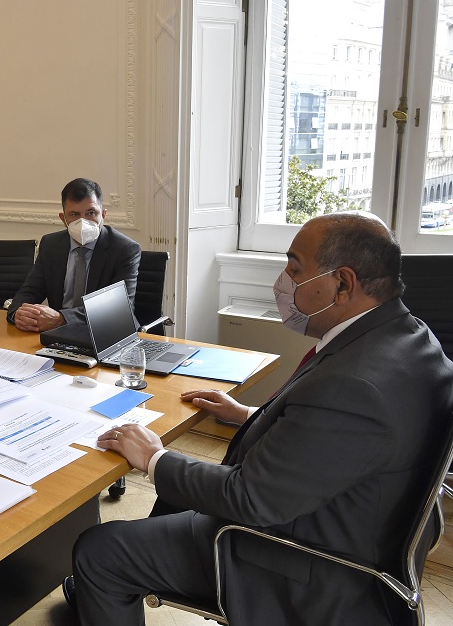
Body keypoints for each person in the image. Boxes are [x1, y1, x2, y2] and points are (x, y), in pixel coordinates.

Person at [66, 212, 453, 625]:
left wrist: (153, 457)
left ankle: (106, 582)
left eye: (295, 269)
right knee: (175, 494)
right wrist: (248, 415)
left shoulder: (355, 384)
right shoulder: (409, 337)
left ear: (343, 284)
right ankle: (117, 589)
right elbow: (342, 439)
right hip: (344, 519)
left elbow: (249, 499)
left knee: (99, 550)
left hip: (303, 561)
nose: (283, 282)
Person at [6, 178, 141, 332]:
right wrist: (18, 314)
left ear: (103, 215)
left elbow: (119, 308)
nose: (83, 221)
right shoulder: (51, 244)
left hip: (107, 332)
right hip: (59, 334)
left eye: (91, 213)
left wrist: (62, 319)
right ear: (63, 219)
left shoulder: (124, 249)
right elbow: (30, 291)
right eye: (74, 214)